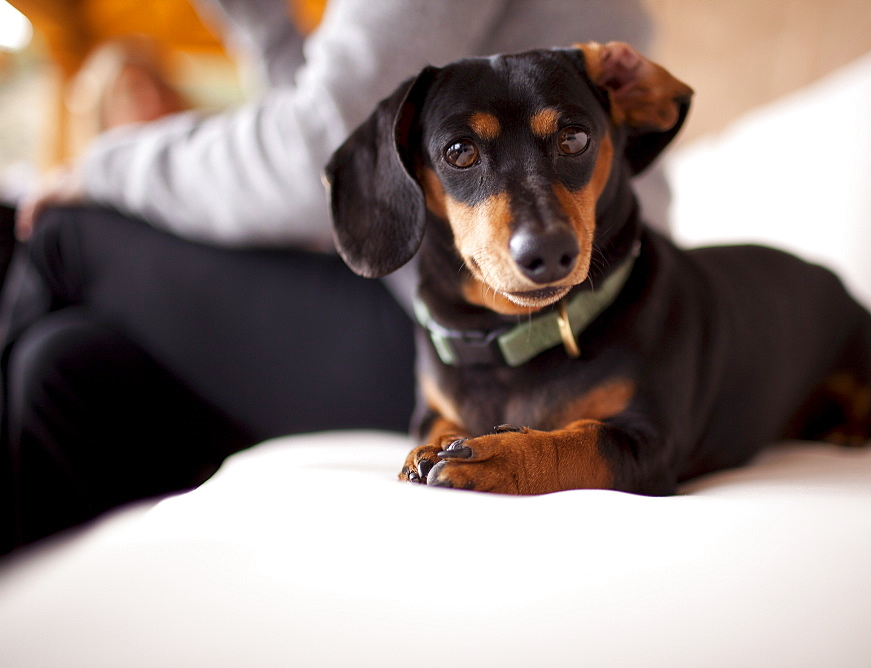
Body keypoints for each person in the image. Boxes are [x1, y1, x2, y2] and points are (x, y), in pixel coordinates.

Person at [2, 0, 662, 554]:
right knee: (59, 365)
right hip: (418, 294)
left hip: (512, 323)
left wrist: (104, 164)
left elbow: (308, 147)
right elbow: (341, 157)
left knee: (66, 237)